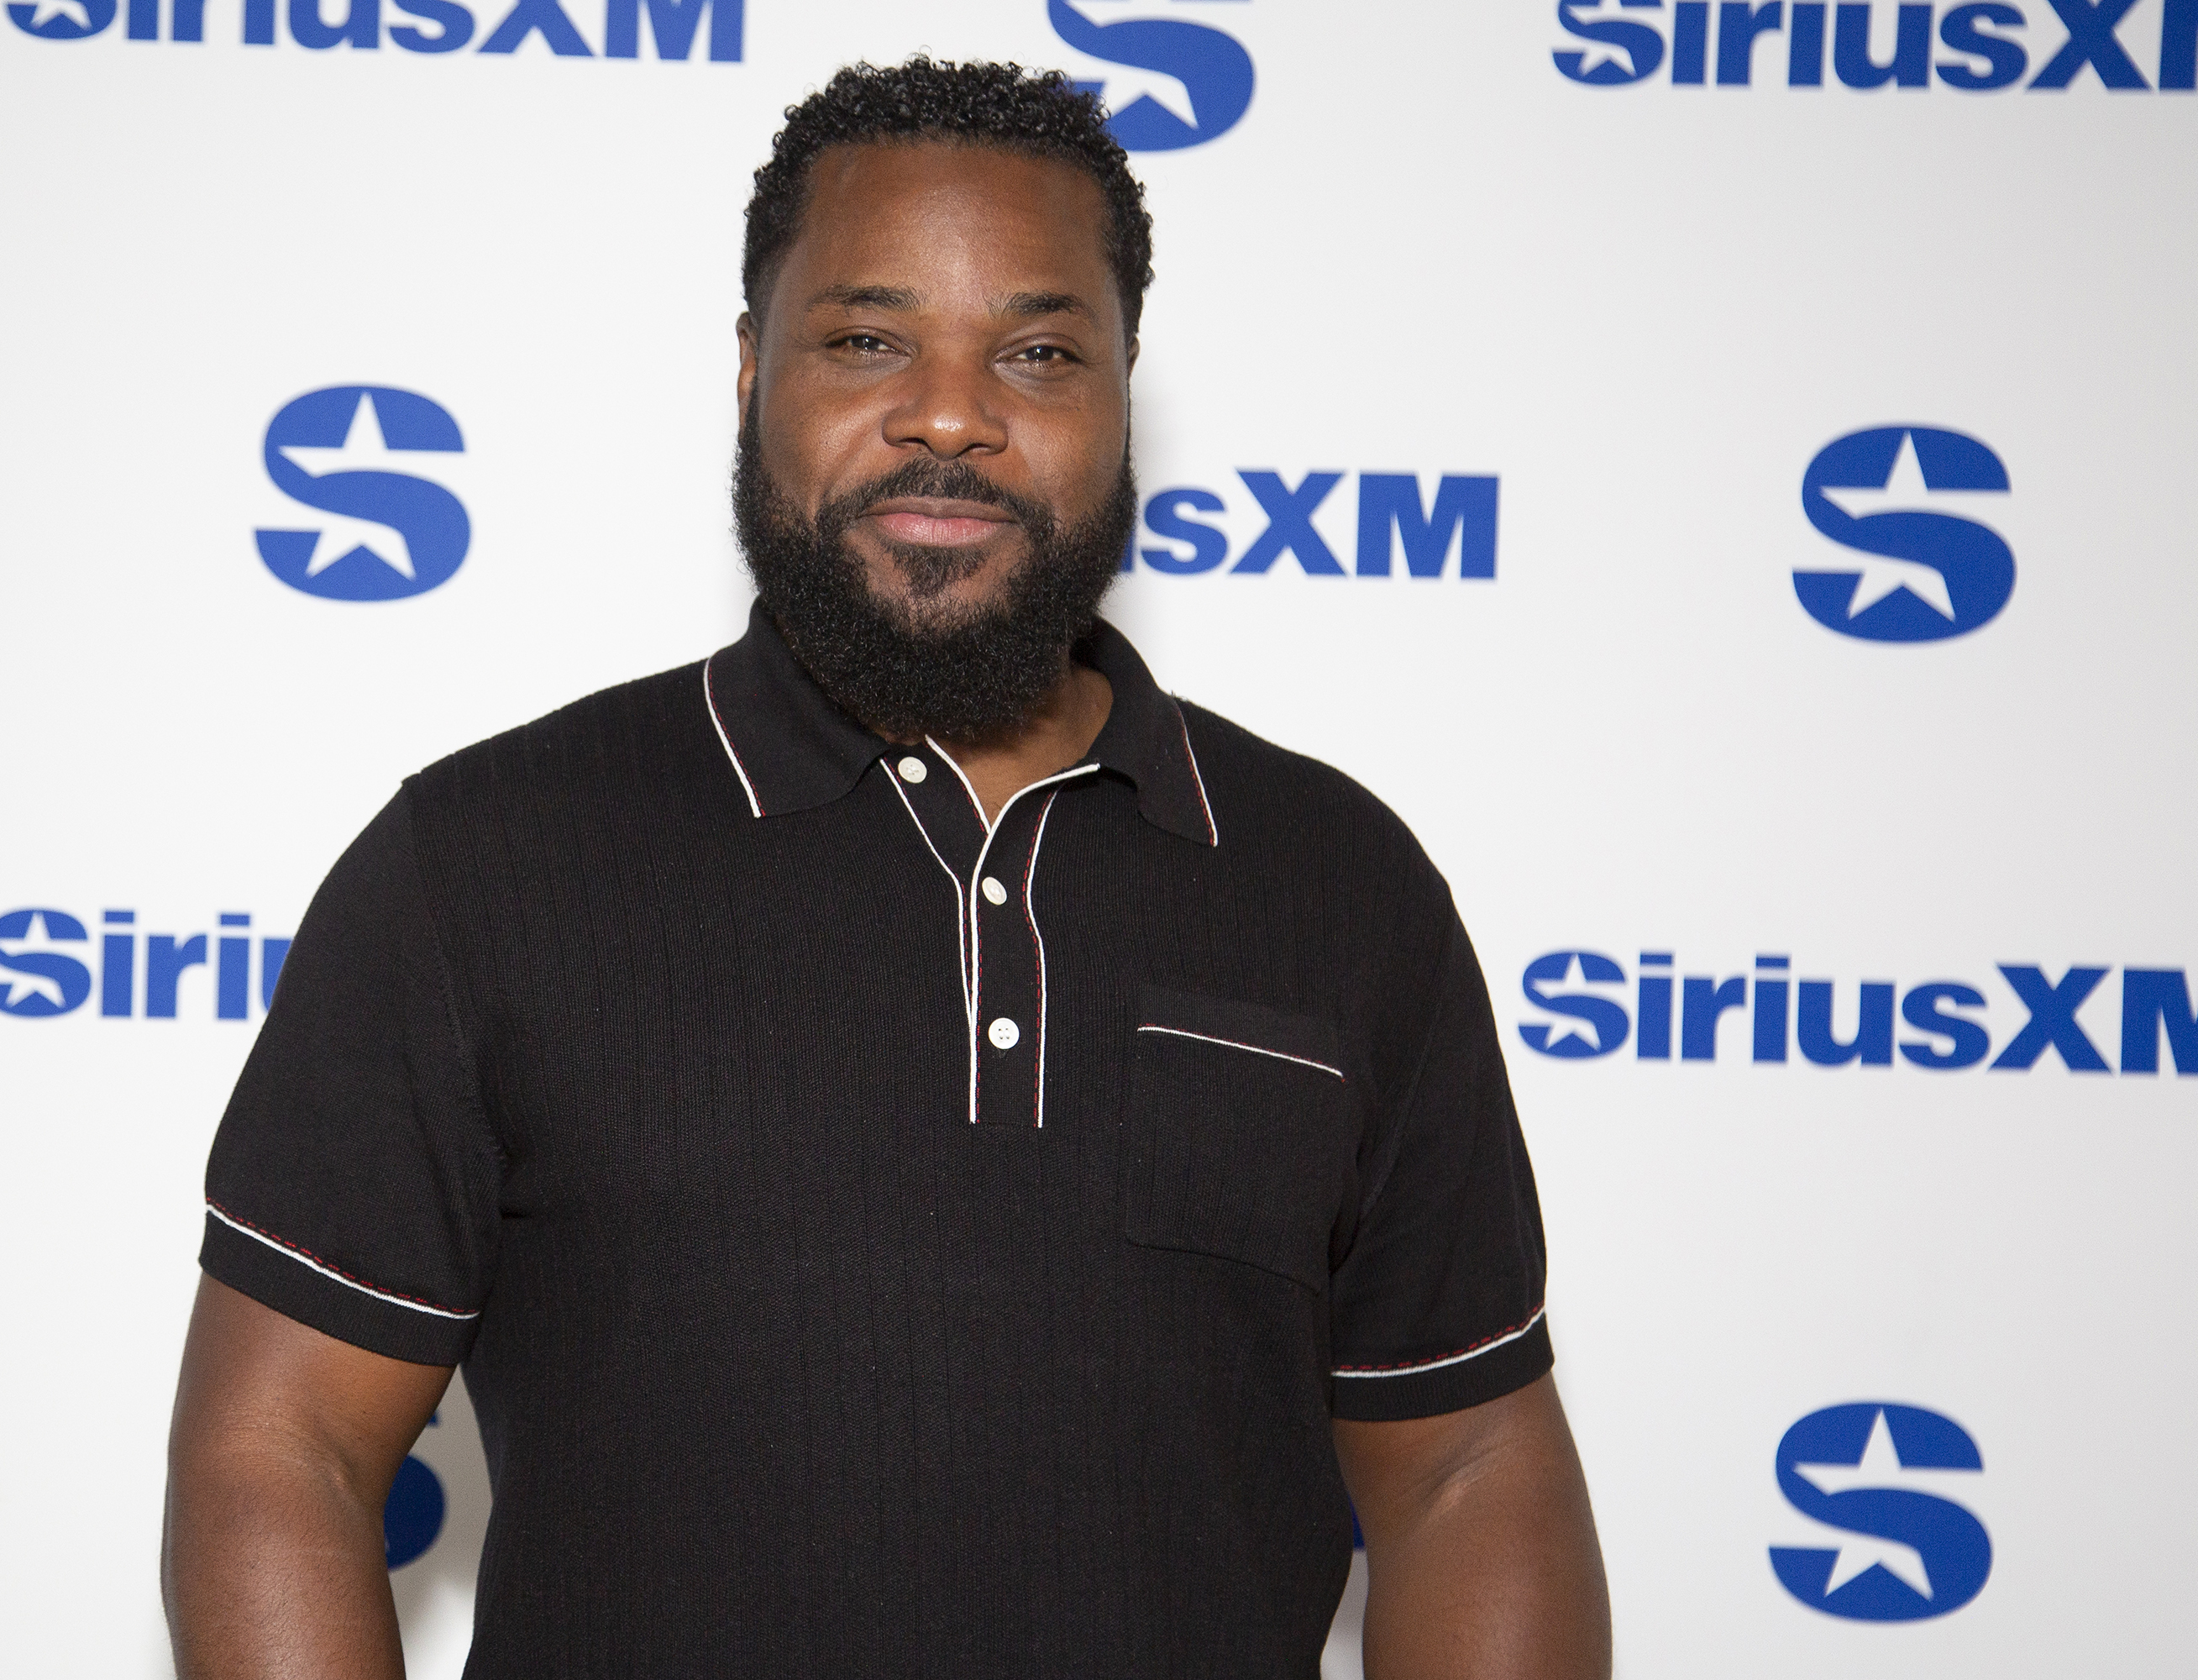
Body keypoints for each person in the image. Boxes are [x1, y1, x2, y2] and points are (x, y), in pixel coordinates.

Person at [163, 57, 1611, 1680]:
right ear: (746, 371)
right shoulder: (485, 863)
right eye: (868, 340)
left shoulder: (1339, 887)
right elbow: (275, 1452)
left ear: (1127, 397)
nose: (949, 413)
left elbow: (1470, 1474)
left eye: (1040, 352)